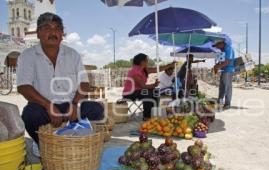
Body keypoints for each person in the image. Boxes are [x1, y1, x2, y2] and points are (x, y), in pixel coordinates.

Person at [17, 13, 104, 143]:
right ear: (38, 33)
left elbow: (84, 83)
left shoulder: (73, 55)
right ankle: (43, 144)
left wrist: (75, 104)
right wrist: (48, 105)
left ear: (62, 34)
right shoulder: (27, 56)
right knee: (30, 115)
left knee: (96, 109)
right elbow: (23, 87)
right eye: (47, 28)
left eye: (57, 29)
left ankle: (75, 140)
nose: (53, 33)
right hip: (43, 107)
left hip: (70, 105)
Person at [123, 53, 176, 120]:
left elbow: (157, 69)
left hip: (139, 91)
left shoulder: (144, 70)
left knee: (155, 92)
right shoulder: (134, 71)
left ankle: (154, 113)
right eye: (147, 60)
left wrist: (170, 65)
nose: (148, 62)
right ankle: (147, 117)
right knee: (147, 94)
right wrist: (154, 85)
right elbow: (144, 86)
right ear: (142, 62)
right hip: (130, 93)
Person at [213, 38, 235, 109]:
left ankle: (227, 104)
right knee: (222, 87)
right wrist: (216, 65)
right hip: (223, 70)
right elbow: (221, 61)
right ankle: (220, 102)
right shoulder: (222, 50)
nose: (217, 47)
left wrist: (218, 67)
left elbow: (227, 61)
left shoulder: (229, 49)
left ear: (221, 43)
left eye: (217, 46)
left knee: (227, 87)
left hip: (228, 70)